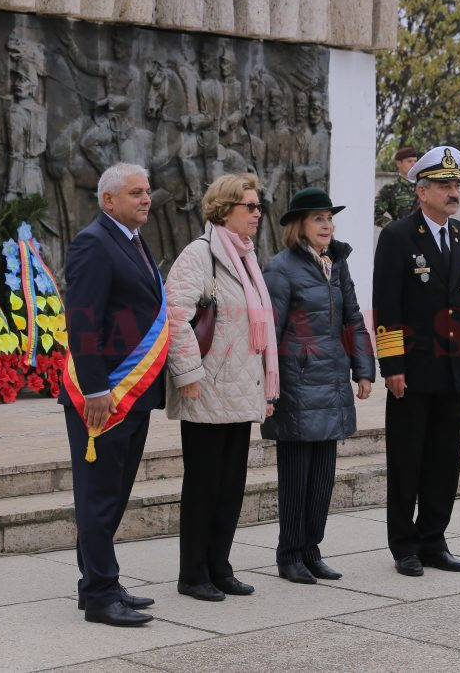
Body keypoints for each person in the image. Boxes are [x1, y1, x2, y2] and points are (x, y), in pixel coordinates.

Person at [373, 145, 460, 577]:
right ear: (421, 191)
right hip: (414, 366)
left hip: (455, 365)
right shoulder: (398, 236)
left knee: (444, 459)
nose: (452, 191)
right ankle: (404, 545)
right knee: (408, 460)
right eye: (443, 185)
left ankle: (434, 539)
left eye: (455, 184)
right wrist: (392, 366)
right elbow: (387, 305)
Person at [58, 163, 165, 628]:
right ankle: (100, 595)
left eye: (147, 191)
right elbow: (82, 320)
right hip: (104, 394)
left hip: (133, 392)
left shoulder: (133, 242)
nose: (146, 199)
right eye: (136, 193)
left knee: (114, 493)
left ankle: (101, 582)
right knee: (99, 495)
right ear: (109, 200)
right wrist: (97, 386)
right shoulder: (93, 243)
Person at [164, 172, 279, 602]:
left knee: (231, 485)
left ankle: (219, 566)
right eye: (249, 206)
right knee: (204, 484)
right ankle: (192, 573)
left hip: (240, 388)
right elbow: (176, 316)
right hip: (207, 389)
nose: (257, 214)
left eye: (258, 206)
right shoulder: (200, 254)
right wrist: (188, 375)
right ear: (223, 209)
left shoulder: (247, 255)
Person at [261, 187, 375, 584]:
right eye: (318, 218)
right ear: (299, 226)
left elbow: (353, 320)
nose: (327, 225)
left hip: (331, 383)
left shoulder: (337, 264)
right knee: (296, 476)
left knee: (324, 474)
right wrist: (269, 390)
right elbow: (269, 333)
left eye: (329, 218)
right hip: (295, 384)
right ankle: (289, 553)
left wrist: (363, 370)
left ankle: (311, 549)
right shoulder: (280, 268)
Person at [373, 146, 419, 228]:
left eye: (415, 161)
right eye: (409, 161)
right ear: (398, 163)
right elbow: (374, 214)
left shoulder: (425, 185)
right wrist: (395, 227)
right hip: (404, 237)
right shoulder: (390, 189)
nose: (414, 164)